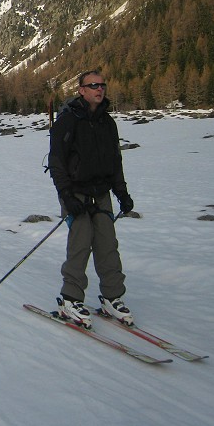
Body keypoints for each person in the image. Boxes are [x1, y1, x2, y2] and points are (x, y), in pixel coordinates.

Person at [47, 70, 135, 329]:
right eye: (93, 85)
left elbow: (114, 162)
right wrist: (65, 195)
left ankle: (112, 297)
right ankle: (70, 300)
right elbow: (57, 161)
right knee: (81, 243)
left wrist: (122, 193)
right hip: (75, 192)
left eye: (102, 85)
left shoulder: (108, 123)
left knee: (108, 245)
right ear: (81, 90)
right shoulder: (68, 120)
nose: (100, 89)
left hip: (101, 193)